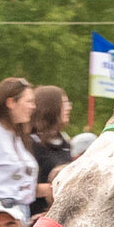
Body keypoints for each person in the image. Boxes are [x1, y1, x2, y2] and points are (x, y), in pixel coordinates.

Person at [24, 84, 75, 217]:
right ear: (49, 107)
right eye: (64, 103)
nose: (69, 107)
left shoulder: (65, 141)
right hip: (35, 216)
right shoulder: (28, 143)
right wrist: (50, 188)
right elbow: (17, 185)